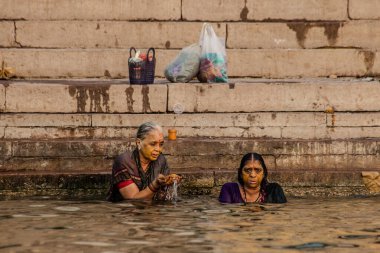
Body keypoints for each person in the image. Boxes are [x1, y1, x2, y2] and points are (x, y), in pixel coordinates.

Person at [107, 122, 180, 202]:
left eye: (161, 144)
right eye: (153, 144)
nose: (158, 149)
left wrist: (170, 182)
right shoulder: (124, 162)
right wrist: (155, 185)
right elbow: (132, 199)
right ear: (139, 143)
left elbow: (165, 195)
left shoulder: (161, 160)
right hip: (126, 212)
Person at [219, 153, 287, 204]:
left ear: (264, 173)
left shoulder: (274, 190)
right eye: (248, 170)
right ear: (240, 173)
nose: (252, 175)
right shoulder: (229, 189)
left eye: (257, 170)